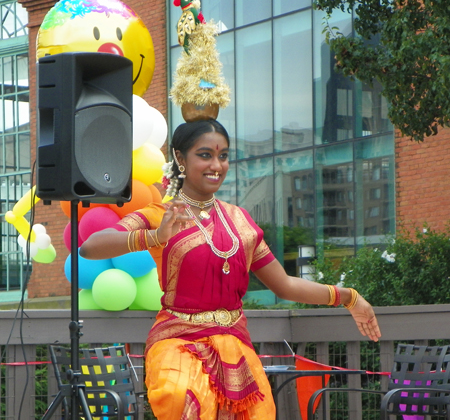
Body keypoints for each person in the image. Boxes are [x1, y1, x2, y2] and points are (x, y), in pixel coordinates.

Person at [80, 119, 381, 420]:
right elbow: (92, 246)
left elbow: (285, 285)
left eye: (223, 155)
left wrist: (349, 298)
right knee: (180, 397)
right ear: (181, 159)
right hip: (179, 339)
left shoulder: (240, 221)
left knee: (260, 413)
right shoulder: (161, 215)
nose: (217, 165)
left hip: (234, 344)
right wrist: (154, 237)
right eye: (205, 154)